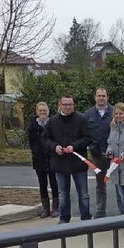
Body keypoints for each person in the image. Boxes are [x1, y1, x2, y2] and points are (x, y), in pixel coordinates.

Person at [42, 95, 92, 224]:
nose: (68, 107)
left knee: (84, 194)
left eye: (70, 104)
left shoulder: (81, 119)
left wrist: (74, 146)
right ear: (60, 104)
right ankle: (64, 218)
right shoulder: (52, 121)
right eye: (65, 104)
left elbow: (88, 137)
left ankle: (86, 218)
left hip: (78, 162)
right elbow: (45, 139)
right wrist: (55, 147)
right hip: (60, 163)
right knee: (63, 194)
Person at [85, 87, 114, 218]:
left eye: (103, 95)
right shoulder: (88, 114)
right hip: (97, 155)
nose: (101, 98)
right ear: (95, 97)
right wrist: (91, 146)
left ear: (107, 97)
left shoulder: (115, 112)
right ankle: (100, 212)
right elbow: (86, 134)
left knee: (120, 184)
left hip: (114, 154)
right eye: (99, 96)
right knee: (100, 185)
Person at [27, 101, 59, 218]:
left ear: (48, 111)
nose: (42, 113)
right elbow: (31, 143)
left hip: (52, 158)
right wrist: (35, 153)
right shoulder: (32, 126)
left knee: (54, 183)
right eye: (40, 111)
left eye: (44, 110)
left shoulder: (53, 123)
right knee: (42, 184)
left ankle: (55, 207)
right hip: (39, 159)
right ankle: (45, 208)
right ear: (37, 112)